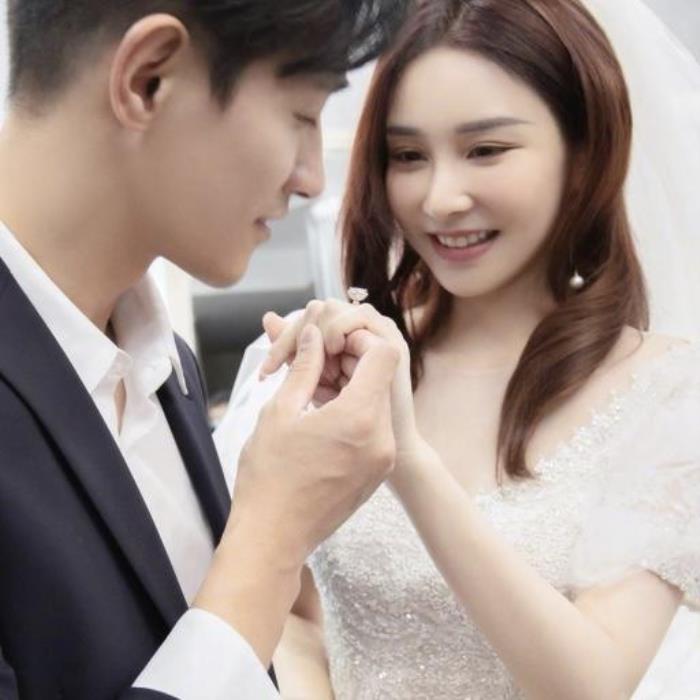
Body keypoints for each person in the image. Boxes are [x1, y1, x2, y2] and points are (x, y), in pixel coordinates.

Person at [216, 0, 700, 697]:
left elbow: (591, 685)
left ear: (584, 151)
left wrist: (408, 461)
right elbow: (290, 618)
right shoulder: (328, 359)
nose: (440, 199)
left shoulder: (670, 394)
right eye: (409, 156)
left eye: (485, 150)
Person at [0, 1, 410, 698]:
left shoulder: (167, 368)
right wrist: (271, 538)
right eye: (302, 114)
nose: (312, 177)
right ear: (148, 79)